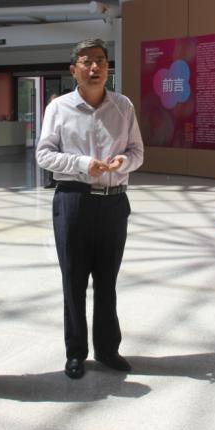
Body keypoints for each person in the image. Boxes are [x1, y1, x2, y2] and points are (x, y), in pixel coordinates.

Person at [36, 38, 144, 380]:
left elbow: (138, 152)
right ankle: (75, 353)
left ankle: (108, 349)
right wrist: (82, 164)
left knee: (107, 281)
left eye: (100, 60)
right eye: (87, 61)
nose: (95, 67)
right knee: (74, 280)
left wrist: (124, 161)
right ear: (74, 70)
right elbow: (44, 154)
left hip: (114, 202)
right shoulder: (58, 108)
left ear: (108, 67)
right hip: (74, 200)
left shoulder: (123, 106)